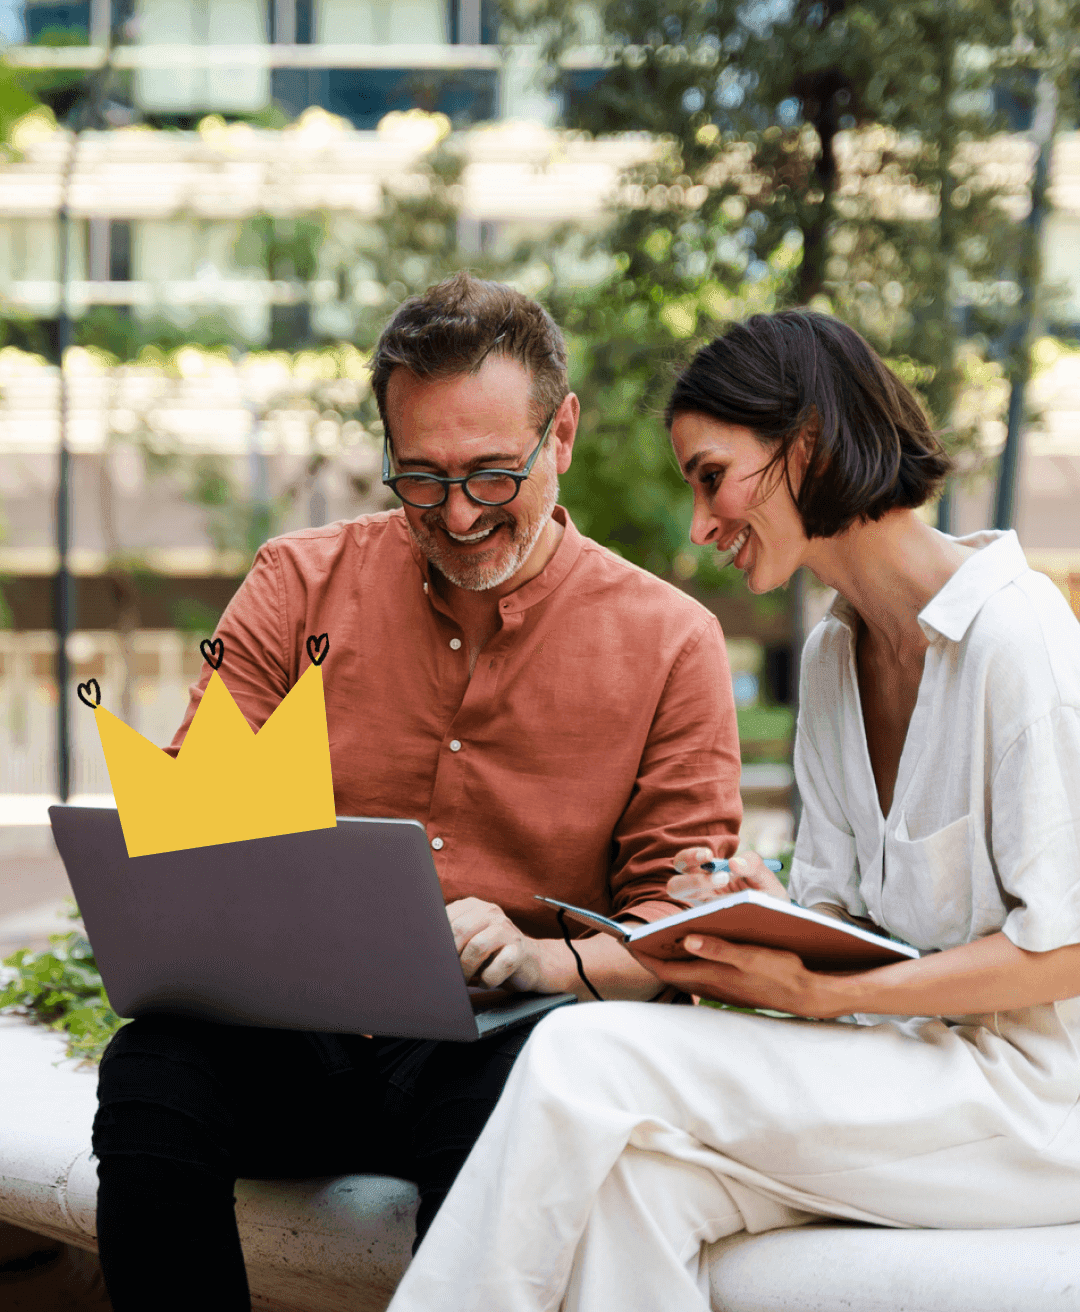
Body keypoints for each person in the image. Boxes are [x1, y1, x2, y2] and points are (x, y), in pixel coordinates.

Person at [385, 309, 1080, 1312]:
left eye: (710, 475)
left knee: (583, 1053)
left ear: (802, 444)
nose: (699, 525)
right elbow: (858, 933)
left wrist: (816, 995)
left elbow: (1069, 950)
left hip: (1038, 1107)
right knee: (632, 1184)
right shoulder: (831, 660)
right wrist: (759, 920)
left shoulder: (1019, 642)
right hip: (911, 1076)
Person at [90, 273, 742, 1311]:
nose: (458, 513)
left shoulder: (668, 641)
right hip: (293, 1036)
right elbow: (197, 831)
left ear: (559, 434)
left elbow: (682, 926)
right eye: (421, 477)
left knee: (515, 1125)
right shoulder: (294, 584)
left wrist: (537, 955)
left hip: (496, 1042)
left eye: (491, 474)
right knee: (153, 1073)